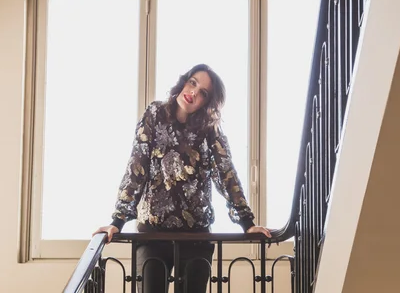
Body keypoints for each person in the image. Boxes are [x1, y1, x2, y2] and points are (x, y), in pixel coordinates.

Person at [93, 63, 270, 293]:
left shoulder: (209, 129)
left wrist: (247, 223)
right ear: (184, 82)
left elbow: (226, 173)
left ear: (207, 102)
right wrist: (117, 221)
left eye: (203, 93)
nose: (194, 92)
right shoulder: (155, 115)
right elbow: (137, 166)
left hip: (195, 236)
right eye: (193, 83)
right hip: (153, 235)